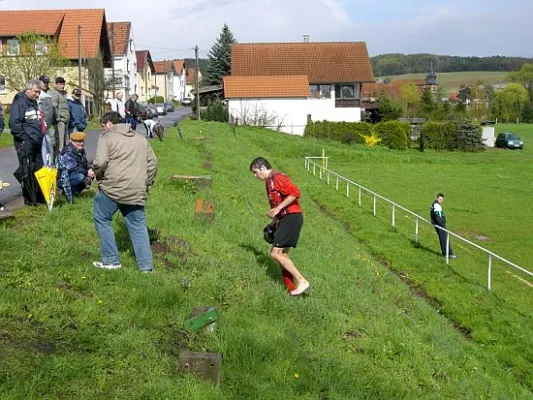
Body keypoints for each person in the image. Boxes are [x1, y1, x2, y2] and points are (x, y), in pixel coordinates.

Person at [92, 111, 158, 272]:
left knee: (101, 218)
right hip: (136, 190)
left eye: (103, 126)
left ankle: (111, 261)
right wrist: (146, 183)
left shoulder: (106, 138)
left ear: (108, 124)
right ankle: (146, 267)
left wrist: (99, 177)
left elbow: (100, 162)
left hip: (112, 189)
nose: (102, 129)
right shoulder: (141, 139)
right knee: (138, 226)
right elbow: (153, 163)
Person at [250, 157, 310, 296]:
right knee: (282, 256)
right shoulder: (268, 181)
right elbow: (279, 202)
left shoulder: (277, 177)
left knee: (275, 253)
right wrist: (273, 222)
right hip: (285, 219)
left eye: (255, 172)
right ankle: (291, 291)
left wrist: (278, 209)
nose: (255, 175)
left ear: (263, 168)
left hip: (292, 218)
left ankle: (302, 281)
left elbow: (295, 192)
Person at [9, 79, 45, 205]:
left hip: (37, 141)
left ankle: (38, 196)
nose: (37, 94)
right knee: (26, 169)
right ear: (28, 90)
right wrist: (25, 138)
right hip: (25, 142)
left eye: (39, 92)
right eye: (36, 92)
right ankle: (29, 199)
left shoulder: (34, 103)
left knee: (37, 168)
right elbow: (14, 124)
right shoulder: (19, 103)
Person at [430, 193, 457, 259]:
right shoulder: (437, 205)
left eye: (442, 199)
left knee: (443, 238)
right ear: (436, 198)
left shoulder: (433, 204)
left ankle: (445, 253)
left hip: (436, 224)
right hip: (440, 225)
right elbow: (438, 217)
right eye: (440, 199)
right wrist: (443, 222)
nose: (441, 200)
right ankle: (448, 254)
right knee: (444, 238)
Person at [49, 76, 70, 153]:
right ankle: (58, 161)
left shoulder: (63, 93)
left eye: (63, 84)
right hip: (60, 122)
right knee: (59, 143)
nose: (62, 86)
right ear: (56, 84)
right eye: (60, 84)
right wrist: (58, 120)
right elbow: (54, 108)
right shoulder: (54, 93)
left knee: (63, 143)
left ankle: (62, 160)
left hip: (65, 121)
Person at [38, 75, 55, 165]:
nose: (45, 84)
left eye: (47, 83)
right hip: (42, 125)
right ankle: (45, 165)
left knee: (48, 145)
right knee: (44, 146)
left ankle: (49, 164)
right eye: (44, 82)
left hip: (48, 126)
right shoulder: (39, 95)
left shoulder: (48, 94)